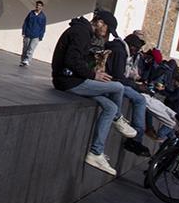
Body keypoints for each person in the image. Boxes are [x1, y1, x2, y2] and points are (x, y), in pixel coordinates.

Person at [51, 10, 140, 176]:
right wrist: (94, 75)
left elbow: (78, 59)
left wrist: (94, 64)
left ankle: (96, 153)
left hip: (73, 79)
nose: (106, 35)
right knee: (118, 87)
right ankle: (118, 120)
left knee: (110, 107)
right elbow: (71, 60)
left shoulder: (84, 33)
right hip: (68, 81)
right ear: (100, 23)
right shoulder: (81, 32)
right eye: (106, 30)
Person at [99, 12, 151, 157]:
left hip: (110, 81)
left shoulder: (119, 48)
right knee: (140, 100)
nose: (136, 52)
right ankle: (135, 138)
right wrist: (137, 86)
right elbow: (118, 78)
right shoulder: (121, 52)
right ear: (132, 47)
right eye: (137, 48)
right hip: (110, 83)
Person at [19, 0, 47, 66]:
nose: (38, 7)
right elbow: (25, 22)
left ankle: (27, 60)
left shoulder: (43, 17)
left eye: (40, 6)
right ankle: (22, 60)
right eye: (37, 5)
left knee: (31, 48)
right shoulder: (31, 13)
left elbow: (43, 27)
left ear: (42, 7)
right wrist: (23, 32)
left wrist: (41, 36)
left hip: (36, 36)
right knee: (25, 48)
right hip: (28, 33)